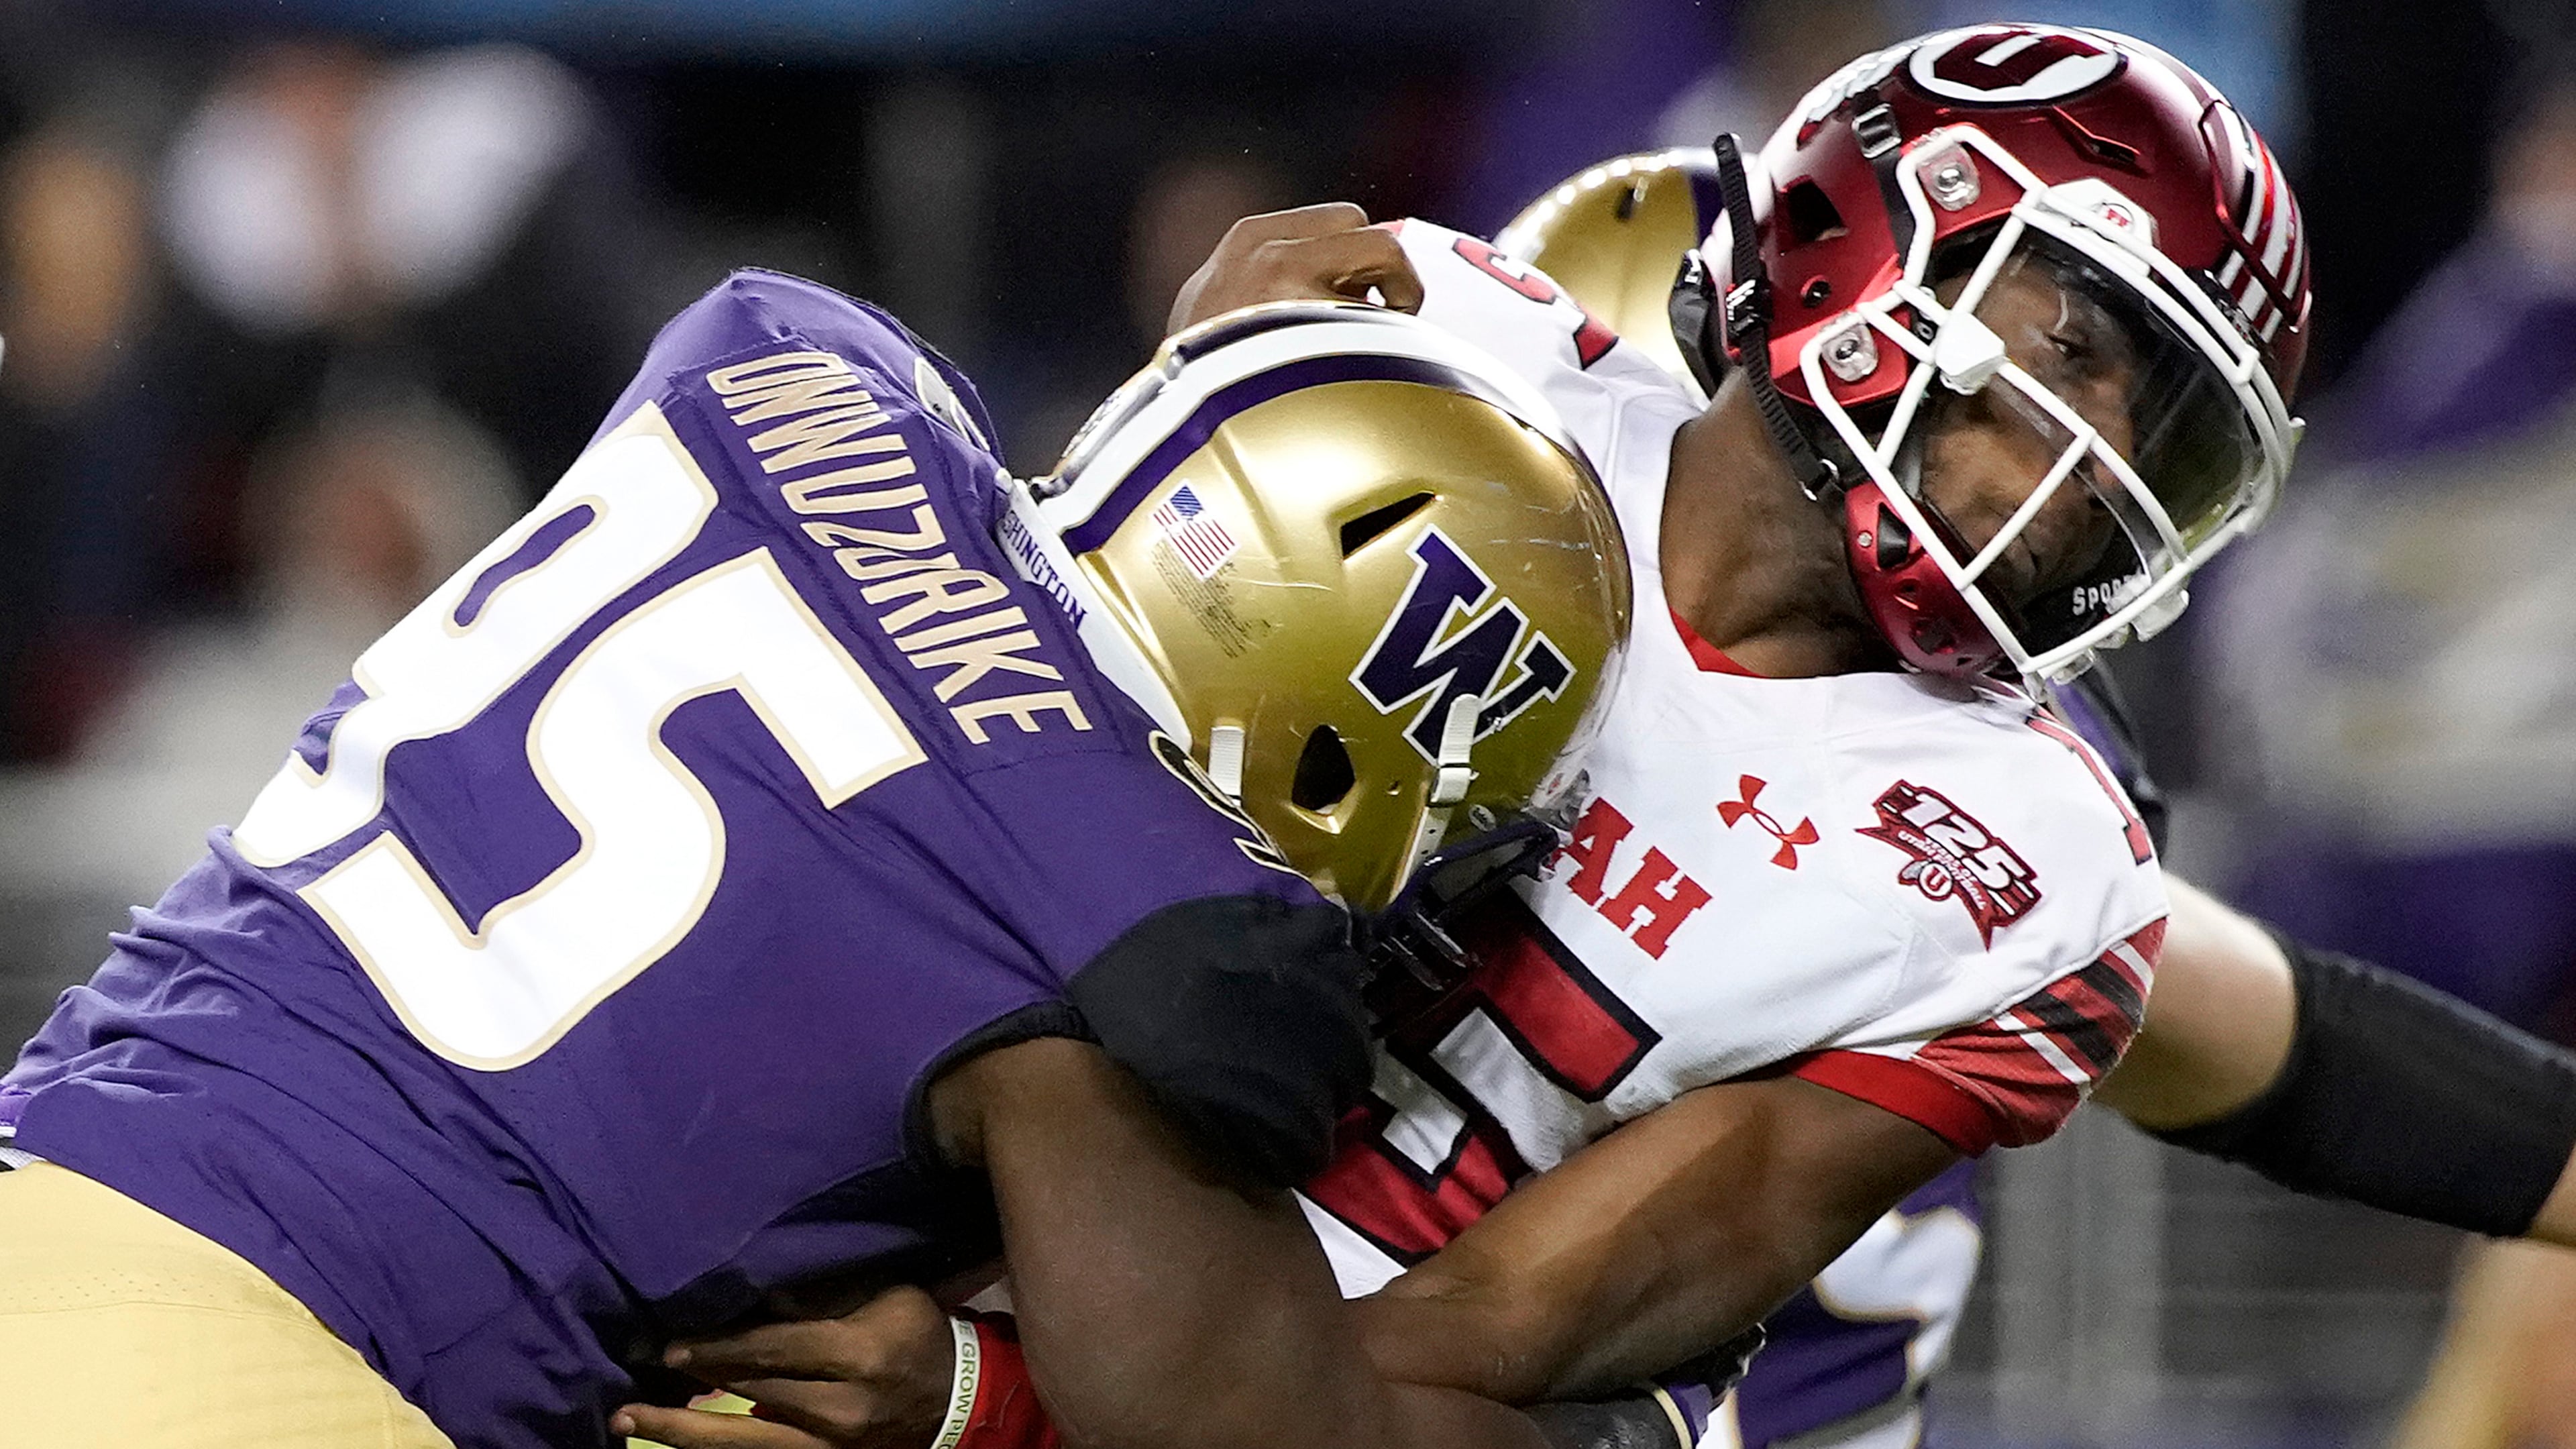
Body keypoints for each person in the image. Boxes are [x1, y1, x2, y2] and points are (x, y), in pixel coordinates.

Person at [617, 24, 2354, 1449]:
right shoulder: (1441, 349)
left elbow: (1510, 1363)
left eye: (2171, 432)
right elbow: (974, 802)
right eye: (2081, 351)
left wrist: (998, 1410)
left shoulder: (2029, 874)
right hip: (843, 1206)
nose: (2108, 467)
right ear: (1878, 243)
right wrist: (1191, 423)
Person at [0, 272, 1639, 1449]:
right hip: (253, 1369)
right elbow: (1257, 1427)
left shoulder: (789, 364)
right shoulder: (1134, 923)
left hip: (59, 1189)